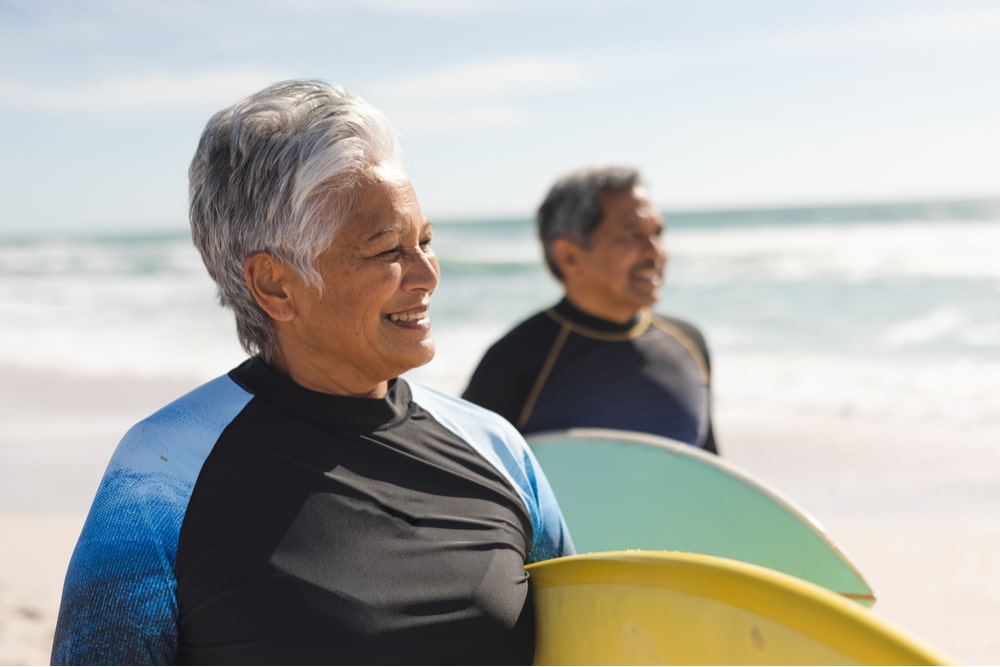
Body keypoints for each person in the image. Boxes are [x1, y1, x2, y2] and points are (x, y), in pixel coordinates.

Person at [51, 79, 573, 665]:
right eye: (386, 251)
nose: (427, 274)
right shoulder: (159, 477)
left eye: (425, 241)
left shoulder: (496, 446)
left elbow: (583, 642)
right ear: (275, 284)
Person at [463, 165, 719, 454]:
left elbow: (712, 473)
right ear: (569, 256)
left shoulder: (689, 343)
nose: (655, 252)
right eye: (632, 235)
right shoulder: (515, 360)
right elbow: (466, 483)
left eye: (657, 233)